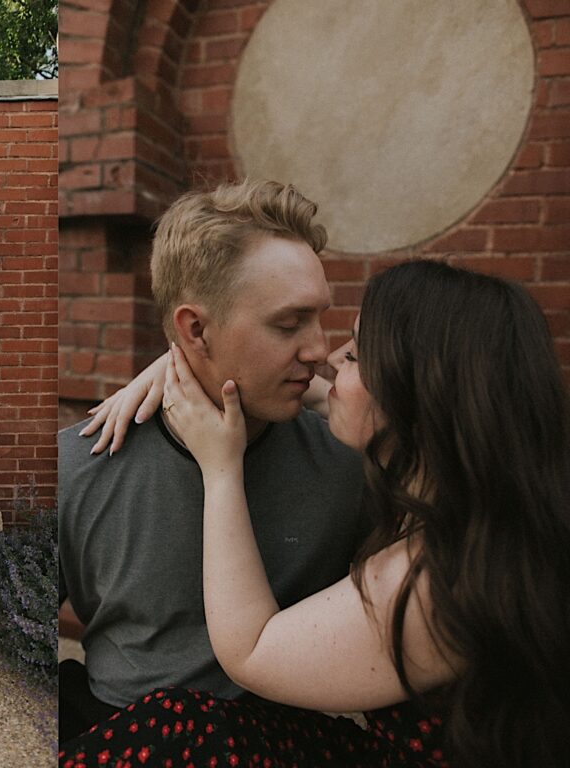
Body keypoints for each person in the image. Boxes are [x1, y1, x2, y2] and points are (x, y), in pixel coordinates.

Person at [60, 259, 570, 767]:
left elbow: (251, 652)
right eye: (288, 324)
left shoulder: (443, 577)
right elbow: (332, 396)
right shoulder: (486, 514)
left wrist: (220, 467)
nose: (329, 355)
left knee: (182, 730)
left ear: (416, 394)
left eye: (358, 352)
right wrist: (193, 363)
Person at [58, 179, 370, 742]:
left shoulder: (350, 461)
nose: (320, 348)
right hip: (116, 739)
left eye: (321, 318)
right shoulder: (79, 465)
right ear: (194, 330)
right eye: (288, 322)